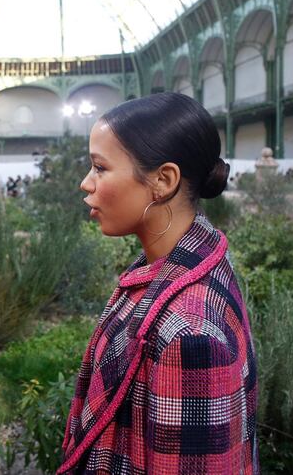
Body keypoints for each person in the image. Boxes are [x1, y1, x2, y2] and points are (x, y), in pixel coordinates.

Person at [59, 93, 258, 474]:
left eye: (100, 168)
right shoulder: (178, 264)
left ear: (163, 181)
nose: (86, 183)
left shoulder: (190, 336)